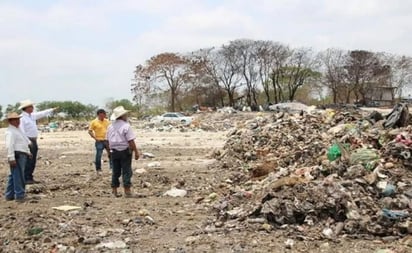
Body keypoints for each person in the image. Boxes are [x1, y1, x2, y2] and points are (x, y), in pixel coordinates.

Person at [18, 99, 58, 184]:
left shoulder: (31, 116)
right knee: (29, 160)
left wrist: (52, 109)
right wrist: (28, 142)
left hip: (33, 140)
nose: (32, 108)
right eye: (31, 106)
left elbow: (42, 113)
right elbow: (21, 132)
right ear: (26, 108)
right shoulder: (22, 118)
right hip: (28, 141)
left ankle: (29, 177)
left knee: (32, 160)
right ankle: (26, 177)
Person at [106, 106, 139, 197]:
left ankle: (114, 191)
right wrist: (136, 151)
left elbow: (107, 141)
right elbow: (130, 140)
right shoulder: (126, 126)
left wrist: (109, 152)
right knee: (126, 171)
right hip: (125, 151)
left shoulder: (110, 126)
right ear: (123, 115)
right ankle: (127, 191)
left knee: (115, 171)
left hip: (114, 151)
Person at [4, 112, 32, 202]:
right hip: (18, 155)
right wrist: (11, 158)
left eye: (18, 119)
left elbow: (24, 141)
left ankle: (9, 195)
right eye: (15, 120)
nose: (17, 121)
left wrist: (28, 152)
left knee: (13, 176)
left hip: (21, 154)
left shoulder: (18, 130)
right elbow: (9, 145)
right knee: (19, 176)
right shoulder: (10, 132)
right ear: (10, 121)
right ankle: (20, 195)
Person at [88, 109, 112, 175]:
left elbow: (111, 129)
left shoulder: (107, 121)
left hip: (107, 140)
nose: (103, 116)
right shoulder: (94, 122)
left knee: (111, 154)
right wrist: (95, 138)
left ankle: (111, 168)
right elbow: (90, 131)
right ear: (99, 114)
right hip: (99, 141)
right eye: (102, 115)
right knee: (98, 155)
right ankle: (98, 169)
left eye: (104, 115)